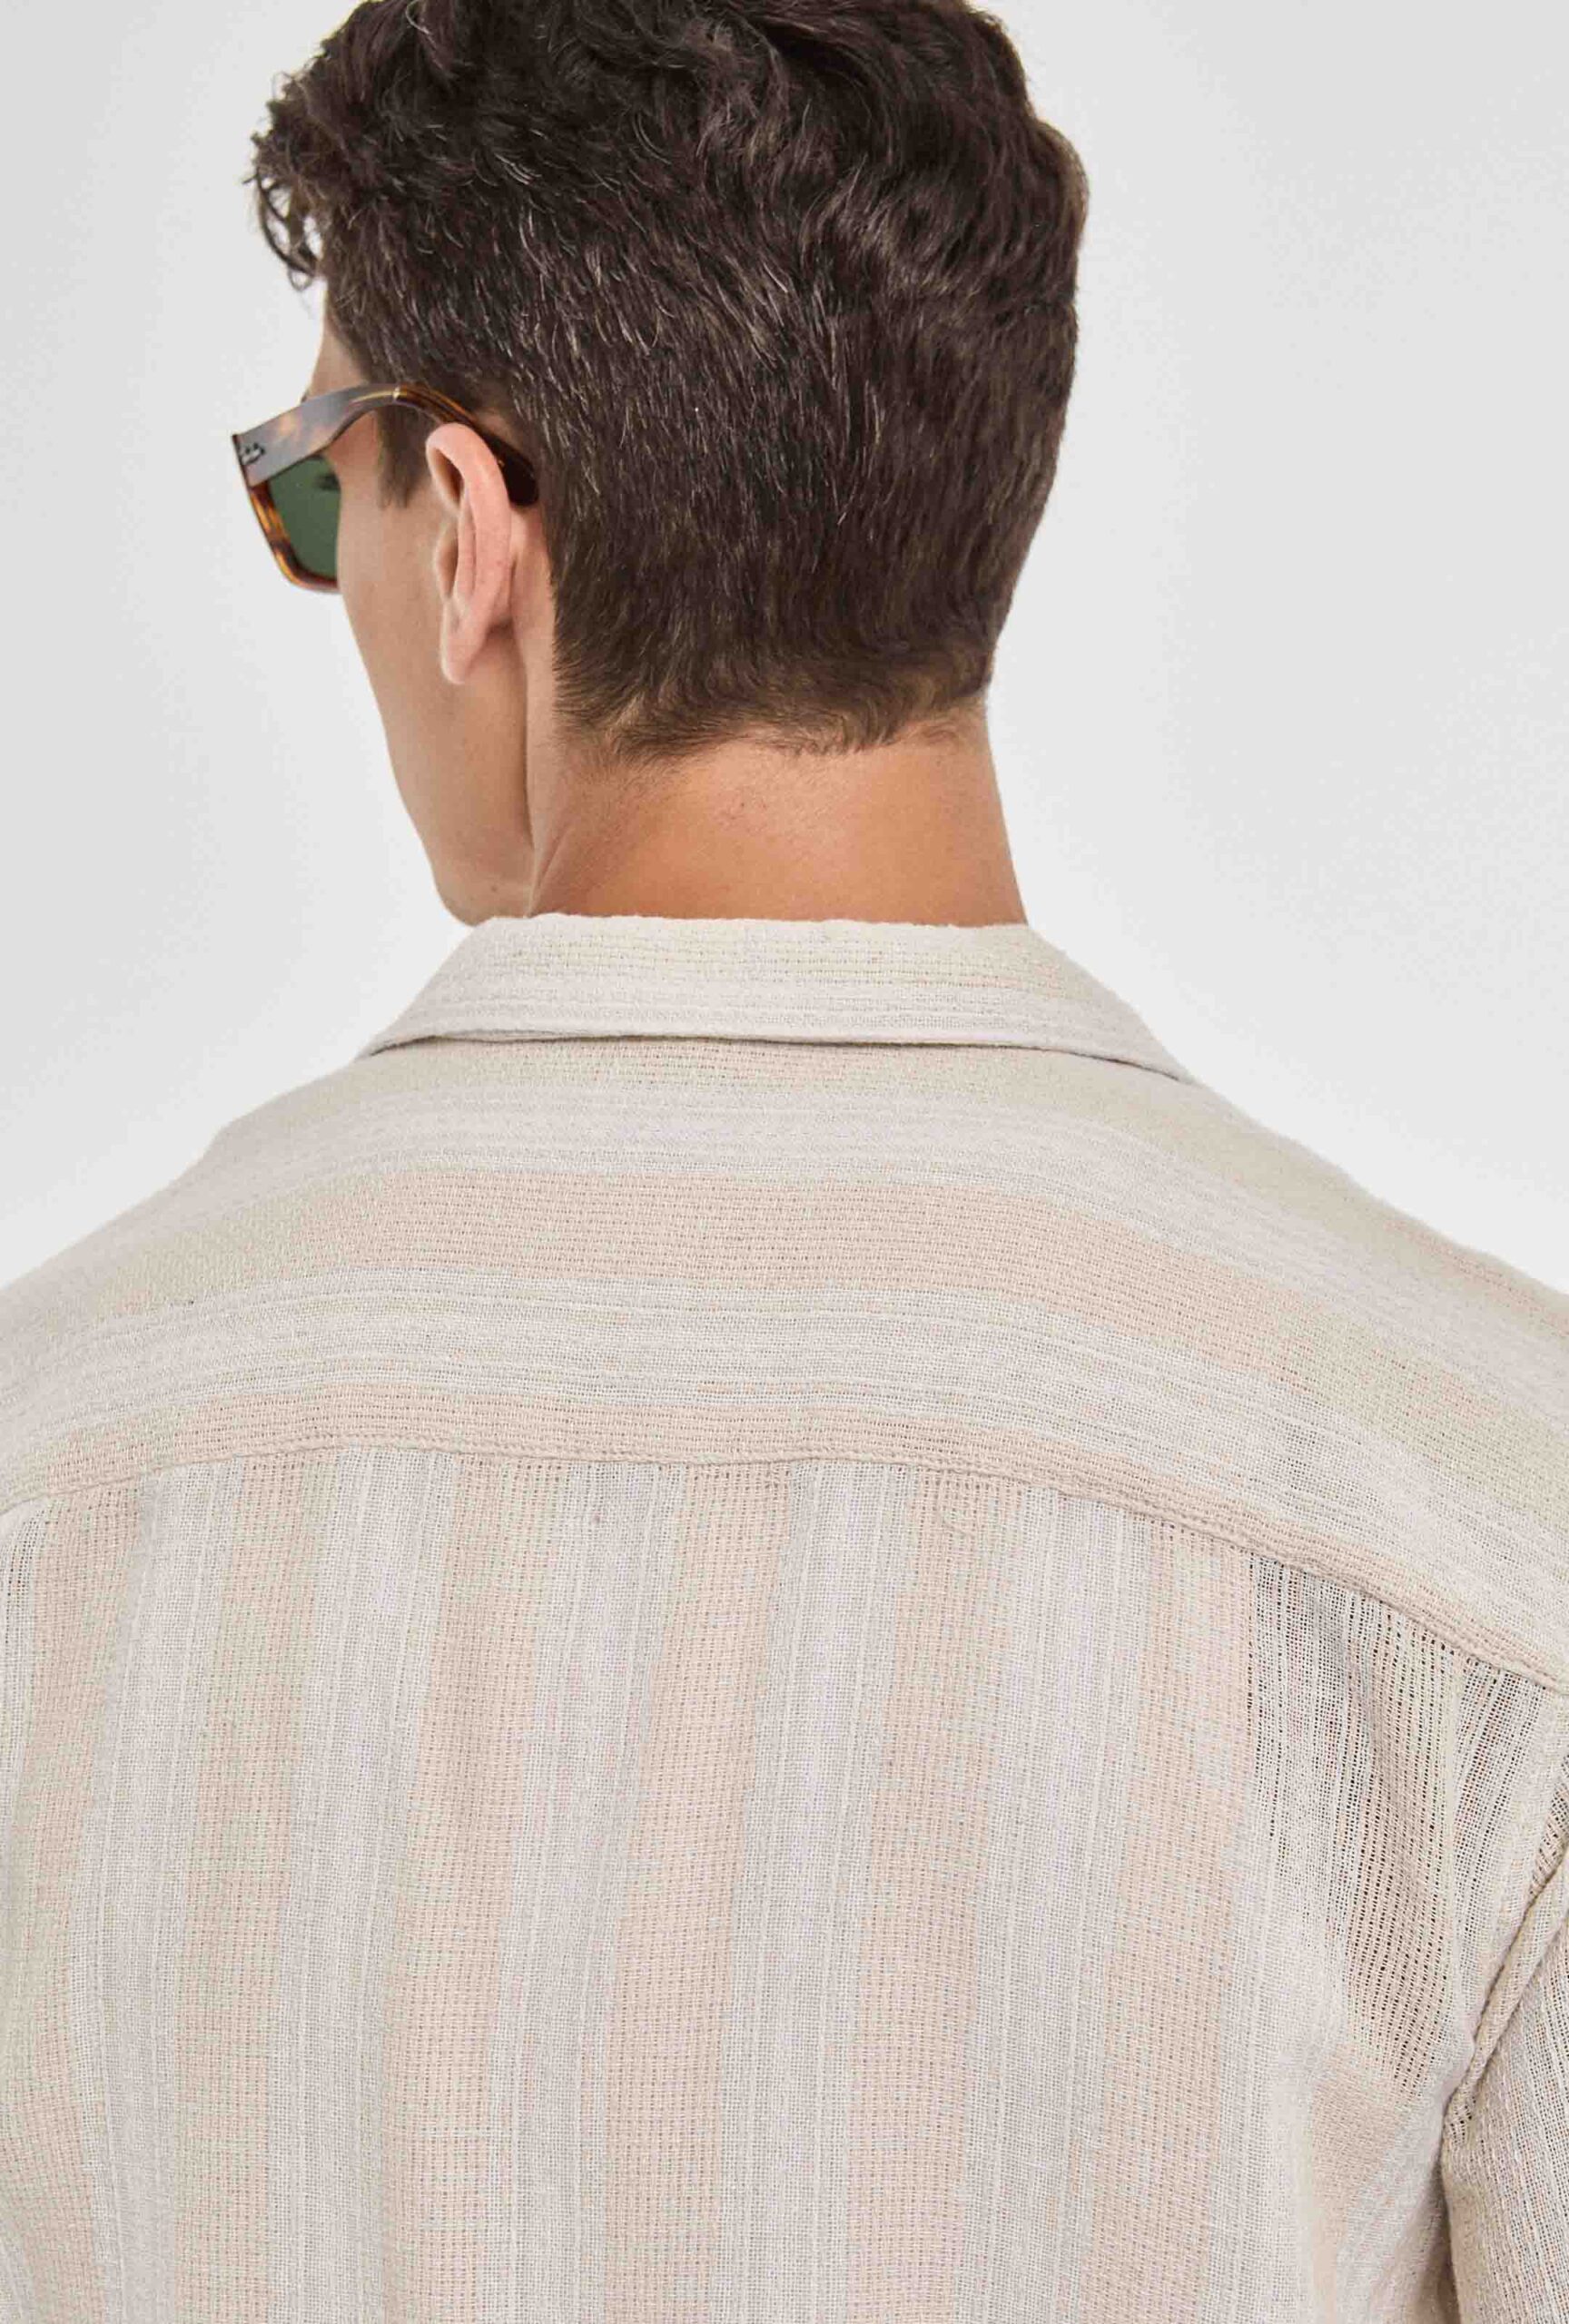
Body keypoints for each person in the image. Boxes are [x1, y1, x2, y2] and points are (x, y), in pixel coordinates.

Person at [0, 0, 1563, 2314]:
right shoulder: (1494, 1520)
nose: (329, 567)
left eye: (315, 488)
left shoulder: (53, 1478)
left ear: (469, 535)